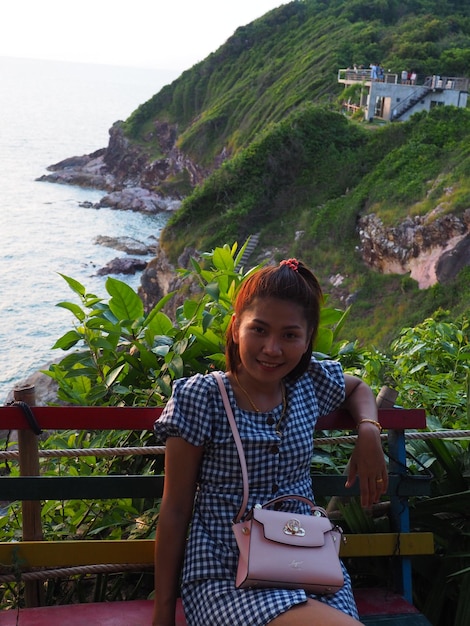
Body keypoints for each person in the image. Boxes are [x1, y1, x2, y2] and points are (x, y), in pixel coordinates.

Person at [152, 259, 388, 626]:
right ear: (235, 328)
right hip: (226, 574)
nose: (272, 348)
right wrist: (163, 611)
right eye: (259, 330)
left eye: (290, 335)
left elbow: (357, 387)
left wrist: (369, 431)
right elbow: (176, 508)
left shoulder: (307, 383)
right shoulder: (203, 398)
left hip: (309, 565)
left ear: (307, 340)